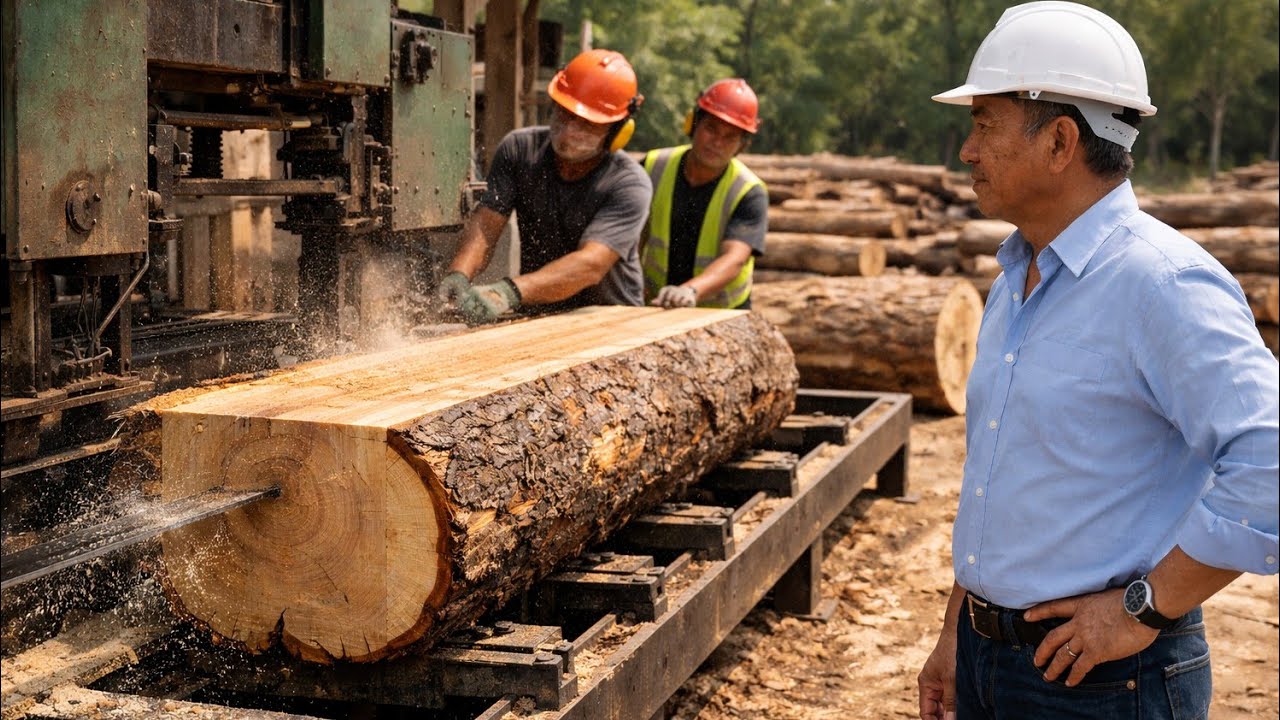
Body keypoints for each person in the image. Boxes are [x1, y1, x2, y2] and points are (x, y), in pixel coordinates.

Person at [916, 3, 1279, 719]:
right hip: (992, 659)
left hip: (1111, 682)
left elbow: (1269, 458)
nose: (968, 151)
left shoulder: (1164, 283)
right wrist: (959, 628)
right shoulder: (1016, 282)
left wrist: (1142, 610)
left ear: (1059, 141)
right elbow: (998, 476)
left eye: (984, 123)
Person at [436, 49, 653, 323]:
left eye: (586, 124)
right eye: (564, 113)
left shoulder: (628, 183)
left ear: (618, 130)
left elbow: (591, 264)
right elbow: (487, 224)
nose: (569, 131)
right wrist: (459, 274)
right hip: (540, 315)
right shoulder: (519, 149)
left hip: (610, 320)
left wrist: (508, 292)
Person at [641, 79, 768, 309]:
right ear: (693, 124)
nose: (717, 142)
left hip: (722, 311)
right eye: (711, 129)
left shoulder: (748, 192)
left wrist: (690, 290)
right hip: (656, 302)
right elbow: (629, 238)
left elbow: (735, 259)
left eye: (730, 137)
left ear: (742, 145)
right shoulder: (652, 167)